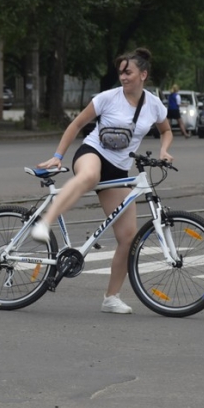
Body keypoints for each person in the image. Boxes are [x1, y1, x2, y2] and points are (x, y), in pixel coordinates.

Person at [31, 47, 173, 314]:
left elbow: (166, 130)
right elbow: (75, 125)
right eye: (121, 72)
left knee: (127, 236)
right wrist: (57, 156)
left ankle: (111, 297)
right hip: (93, 153)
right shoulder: (107, 98)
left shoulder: (153, 104)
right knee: (89, 175)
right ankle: (44, 222)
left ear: (143, 74)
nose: (123, 77)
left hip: (119, 170)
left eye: (128, 72)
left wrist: (164, 150)